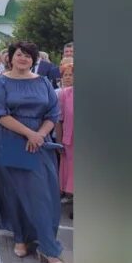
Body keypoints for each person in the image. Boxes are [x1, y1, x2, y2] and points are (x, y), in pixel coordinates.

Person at [0, 41, 69, 263]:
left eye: (28, 56)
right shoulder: (0, 82)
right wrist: (29, 134)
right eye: (19, 54)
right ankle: (21, 238)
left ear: (34, 60)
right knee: (15, 192)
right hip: (9, 139)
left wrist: (40, 135)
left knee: (44, 194)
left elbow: (53, 113)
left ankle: (48, 247)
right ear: (11, 57)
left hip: (39, 142)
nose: (23, 59)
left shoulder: (43, 82)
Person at [56, 61, 74, 201]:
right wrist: (59, 141)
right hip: (70, 140)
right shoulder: (64, 94)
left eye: (72, 74)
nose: (69, 77)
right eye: (66, 75)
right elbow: (59, 119)